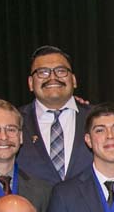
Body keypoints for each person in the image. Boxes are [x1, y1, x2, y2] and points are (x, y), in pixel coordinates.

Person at [16, 45, 94, 184]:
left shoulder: (98, 118)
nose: (52, 77)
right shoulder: (14, 122)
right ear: (31, 83)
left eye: (61, 71)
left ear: (74, 80)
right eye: (43, 72)